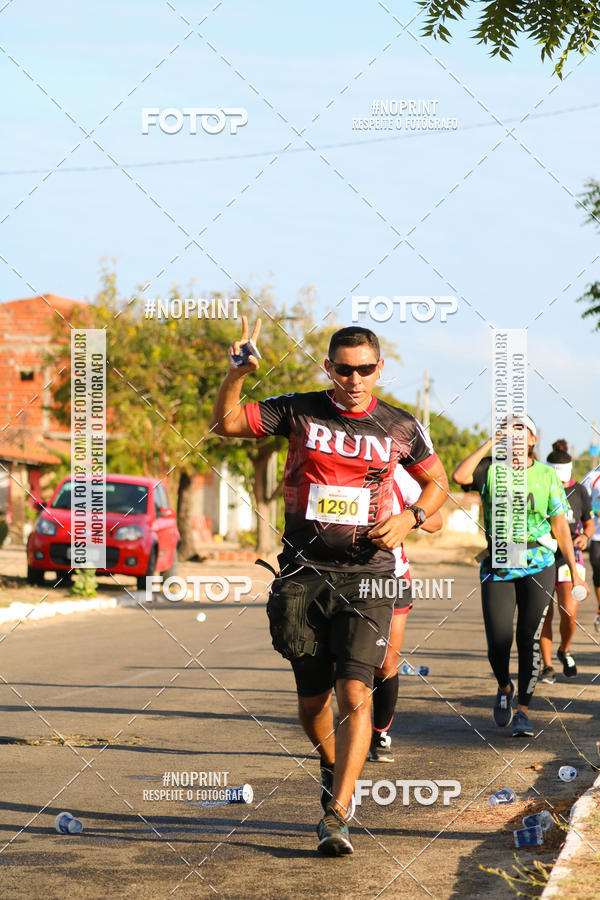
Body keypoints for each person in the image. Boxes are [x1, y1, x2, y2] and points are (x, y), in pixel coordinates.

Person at [210, 318, 448, 856]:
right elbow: (227, 423)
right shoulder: (300, 410)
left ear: (379, 369)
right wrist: (237, 374)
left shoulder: (400, 425)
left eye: (364, 369)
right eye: (344, 369)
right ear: (328, 368)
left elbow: (437, 482)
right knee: (312, 699)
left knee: (354, 691)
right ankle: (331, 763)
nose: (354, 379)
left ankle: (337, 814)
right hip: (303, 574)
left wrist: (411, 517)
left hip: (370, 575)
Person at [453, 417, 587, 738]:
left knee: (528, 638)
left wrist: (574, 571)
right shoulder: (490, 469)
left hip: (539, 563)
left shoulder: (546, 475)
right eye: (508, 430)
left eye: (520, 430)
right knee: (498, 641)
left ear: (532, 439)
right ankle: (504, 686)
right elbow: (459, 476)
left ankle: (524, 711)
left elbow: (559, 526)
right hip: (498, 564)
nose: (514, 435)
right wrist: (490, 442)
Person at [369, 466, 443, 762]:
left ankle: (379, 733)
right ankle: (348, 730)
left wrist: (409, 519)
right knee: (346, 662)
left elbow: (436, 521)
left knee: (386, 663)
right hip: (343, 575)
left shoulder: (399, 473)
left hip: (392, 576)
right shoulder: (337, 466)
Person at [539, 440, 594, 682]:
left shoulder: (580, 491)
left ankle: (564, 649)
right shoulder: (539, 487)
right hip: (542, 556)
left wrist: (585, 536)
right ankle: (547, 666)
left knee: (569, 611)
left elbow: (589, 524)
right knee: (544, 613)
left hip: (570, 557)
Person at [581, 464, 600, 633]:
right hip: (597, 535)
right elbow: (581, 503)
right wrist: (595, 511)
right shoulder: (591, 478)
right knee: (598, 572)